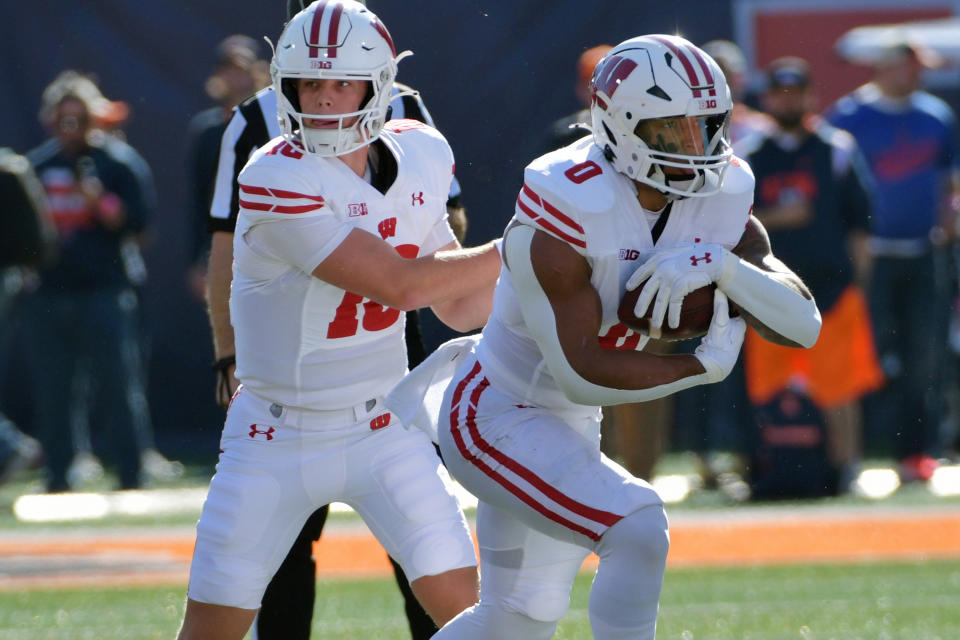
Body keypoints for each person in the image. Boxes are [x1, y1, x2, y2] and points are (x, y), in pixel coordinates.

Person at [390, 35, 820, 639]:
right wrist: (701, 367)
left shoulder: (723, 191)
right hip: (498, 412)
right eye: (675, 132)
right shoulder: (568, 199)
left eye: (708, 127)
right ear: (621, 128)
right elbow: (580, 369)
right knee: (638, 526)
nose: (698, 149)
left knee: (517, 619)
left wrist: (725, 268)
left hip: (567, 420)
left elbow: (803, 326)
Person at [175, 2, 501, 639]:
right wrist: (532, 239)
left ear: (379, 85)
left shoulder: (422, 152)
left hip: (385, 424)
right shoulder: (273, 172)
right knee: (211, 632)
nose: (323, 101)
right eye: (309, 85)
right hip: (275, 434)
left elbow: (459, 305)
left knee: (480, 619)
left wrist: (548, 284)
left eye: (341, 83)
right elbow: (402, 286)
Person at [739, 56, 884, 492]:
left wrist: (858, 282)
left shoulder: (835, 148)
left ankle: (846, 470)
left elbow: (861, 222)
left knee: (839, 388)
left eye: (795, 91)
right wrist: (780, 217)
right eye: (779, 92)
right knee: (768, 388)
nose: (787, 100)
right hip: (767, 290)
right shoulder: (750, 156)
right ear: (767, 99)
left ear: (809, 96)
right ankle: (769, 469)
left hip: (832, 289)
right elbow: (732, 222)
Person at [826, 39, 960, 482]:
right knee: (865, 352)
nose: (915, 74)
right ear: (883, 68)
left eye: (918, 66)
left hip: (925, 251)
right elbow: (835, 189)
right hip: (870, 256)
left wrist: (949, 218)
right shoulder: (849, 118)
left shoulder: (935, 116)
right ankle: (854, 454)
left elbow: (948, 182)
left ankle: (917, 454)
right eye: (907, 66)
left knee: (925, 354)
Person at [25, 71, 155, 492]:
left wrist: (99, 200)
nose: (71, 129)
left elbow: (139, 227)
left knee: (119, 385)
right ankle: (59, 474)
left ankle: (132, 473)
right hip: (50, 293)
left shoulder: (117, 163)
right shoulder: (37, 167)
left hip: (105, 289)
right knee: (55, 388)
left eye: (78, 119)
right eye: (63, 119)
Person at [185, 34, 270, 303]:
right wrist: (199, 259)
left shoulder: (275, 124)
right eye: (228, 69)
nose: (235, 76)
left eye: (241, 68)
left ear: (255, 70)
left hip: (269, 246)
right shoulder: (207, 132)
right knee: (226, 332)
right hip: (223, 245)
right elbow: (199, 200)